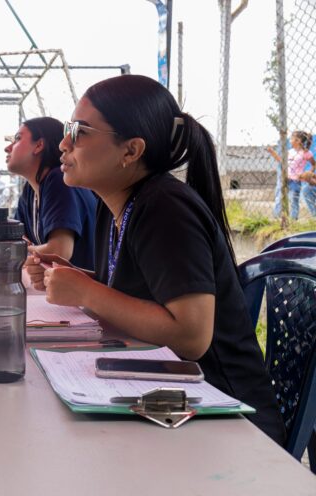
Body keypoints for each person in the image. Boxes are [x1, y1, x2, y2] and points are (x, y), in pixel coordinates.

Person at [26, 74, 286, 444]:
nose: (63, 144)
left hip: (228, 422)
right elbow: (138, 291)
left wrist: (85, 292)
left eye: (79, 131)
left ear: (130, 151)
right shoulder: (115, 205)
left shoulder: (165, 207)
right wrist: (73, 278)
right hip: (170, 401)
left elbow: (191, 336)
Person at [5, 117, 97, 270]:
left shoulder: (60, 180)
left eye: (17, 139)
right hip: (60, 288)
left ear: (39, 145)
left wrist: (11, 252)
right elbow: (16, 241)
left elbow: (59, 251)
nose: (8, 148)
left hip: (85, 289)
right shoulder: (30, 190)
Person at [267, 131, 316, 219]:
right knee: (279, 198)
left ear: (298, 141)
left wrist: (309, 173)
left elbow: (313, 164)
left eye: (292, 138)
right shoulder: (290, 151)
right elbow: (283, 162)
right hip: (285, 178)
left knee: (294, 200)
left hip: (296, 180)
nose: (290, 140)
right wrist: (273, 153)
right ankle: (277, 218)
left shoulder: (306, 153)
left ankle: (294, 219)